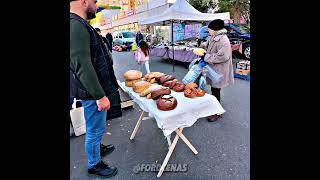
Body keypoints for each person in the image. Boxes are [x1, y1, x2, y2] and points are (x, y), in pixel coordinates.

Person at [70, 0, 121, 178]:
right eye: (94, 1)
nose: (96, 4)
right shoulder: (75, 24)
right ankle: (94, 164)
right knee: (94, 129)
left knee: (96, 127)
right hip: (93, 92)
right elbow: (82, 65)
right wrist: (100, 95)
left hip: (93, 90)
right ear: (84, 2)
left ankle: (97, 149)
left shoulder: (81, 23)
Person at [201, 19, 234, 122]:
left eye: (209, 29)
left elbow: (223, 56)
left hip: (219, 69)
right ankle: (214, 106)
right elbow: (208, 44)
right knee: (214, 89)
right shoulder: (213, 37)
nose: (208, 31)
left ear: (215, 30)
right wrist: (201, 46)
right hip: (213, 68)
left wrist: (207, 56)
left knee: (216, 89)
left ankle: (217, 111)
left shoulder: (224, 40)